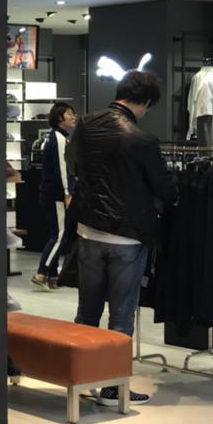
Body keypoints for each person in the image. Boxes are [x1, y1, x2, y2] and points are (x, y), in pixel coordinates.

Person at [66, 70, 176, 406]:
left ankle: (81, 378)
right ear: (146, 102)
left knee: (87, 312)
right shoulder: (142, 140)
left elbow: (74, 165)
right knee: (121, 316)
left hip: (88, 230)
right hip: (128, 236)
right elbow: (165, 189)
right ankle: (113, 388)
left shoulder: (86, 124)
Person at [31, 102, 75, 289]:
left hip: (50, 192)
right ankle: (42, 273)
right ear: (59, 118)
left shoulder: (56, 137)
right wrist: (67, 192)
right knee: (59, 235)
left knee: (56, 233)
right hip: (55, 193)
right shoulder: (58, 138)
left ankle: (52, 275)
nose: (73, 117)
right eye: (70, 114)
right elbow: (62, 168)